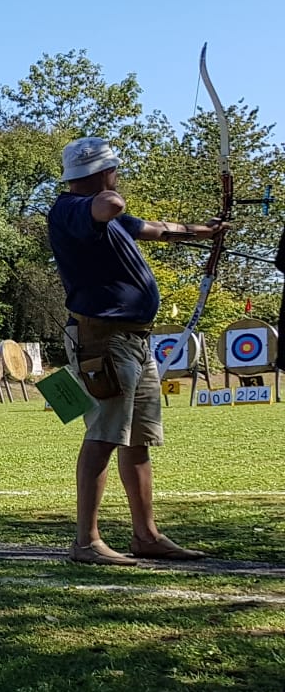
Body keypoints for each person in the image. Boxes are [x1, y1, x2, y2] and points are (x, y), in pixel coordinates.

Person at [49, 136, 223, 566]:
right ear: (104, 173)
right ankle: (86, 542)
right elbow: (111, 205)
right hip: (102, 340)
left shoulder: (108, 221)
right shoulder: (71, 210)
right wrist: (107, 192)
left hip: (134, 341)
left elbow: (158, 229)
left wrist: (205, 231)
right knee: (105, 433)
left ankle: (146, 536)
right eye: (114, 170)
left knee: (137, 439)